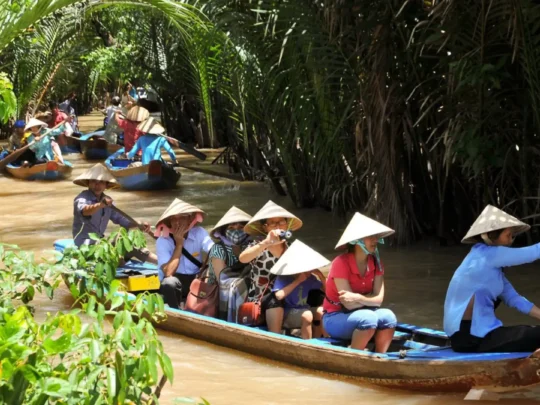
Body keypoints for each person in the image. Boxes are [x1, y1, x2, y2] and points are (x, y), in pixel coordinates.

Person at [444, 205, 540, 354]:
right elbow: (533, 252)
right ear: (491, 235)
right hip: (472, 337)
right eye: (508, 235)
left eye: (512, 236)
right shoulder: (488, 255)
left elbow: (515, 299)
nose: (510, 241)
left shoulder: (484, 263)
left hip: (466, 336)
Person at [323, 213, 397, 353]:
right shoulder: (341, 263)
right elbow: (348, 304)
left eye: (376, 237)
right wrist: (369, 299)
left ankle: (379, 357)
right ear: (356, 241)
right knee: (368, 318)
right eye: (370, 237)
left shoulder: (377, 263)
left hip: (363, 312)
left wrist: (358, 298)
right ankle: (356, 357)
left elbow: (379, 300)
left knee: (389, 316)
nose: (375, 240)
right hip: (335, 316)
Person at [71, 163, 157, 264]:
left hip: (100, 243)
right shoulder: (82, 198)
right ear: (88, 183)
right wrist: (100, 205)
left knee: (129, 243)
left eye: (101, 182)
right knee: (118, 258)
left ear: (106, 185)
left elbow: (124, 221)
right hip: (85, 245)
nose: (97, 185)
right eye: (94, 181)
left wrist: (139, 224)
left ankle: (162, 263)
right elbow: (85, 211)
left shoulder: (108, 201)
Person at [239, 200, 303, 333]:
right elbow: (243, 258)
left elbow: (300, 273)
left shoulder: (291, 247)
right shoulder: (259, 245)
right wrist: (266, 243)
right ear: (265, 227)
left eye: (281, 222)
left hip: (288, 294)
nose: (278, 226)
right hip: (263, 298)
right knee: (275, 299)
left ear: (287, 225)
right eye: (273, 223)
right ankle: (276, 337)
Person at [155, 199, 214, 309]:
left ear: (190, 219)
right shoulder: (163, 241)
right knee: (169, 282)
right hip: (175, 285)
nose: (178, 222)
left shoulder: (199, 233)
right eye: (174, 219)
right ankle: (177, 312)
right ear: (169, 222)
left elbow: (213, 250)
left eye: (182, 217)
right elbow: (168, 273)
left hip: (195, 281)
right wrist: (179, 244)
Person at [270, 240, 328, 339]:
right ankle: (308, 344)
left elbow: (328, 292)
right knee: (307, 314)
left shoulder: (311, 278)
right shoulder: (284, 277)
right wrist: (298, 281)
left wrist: (321, 277)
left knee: (321, 311)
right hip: (288, 312)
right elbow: (278, 295)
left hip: (304, 308)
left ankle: (322, 340)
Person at [208, 206, 252, 285]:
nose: (236, 232)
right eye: (231, 228)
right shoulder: (218, 248)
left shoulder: (250, 245)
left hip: (245, 287)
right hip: (220, 289)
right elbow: (221, 280)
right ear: (224, 231)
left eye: (240, 227)